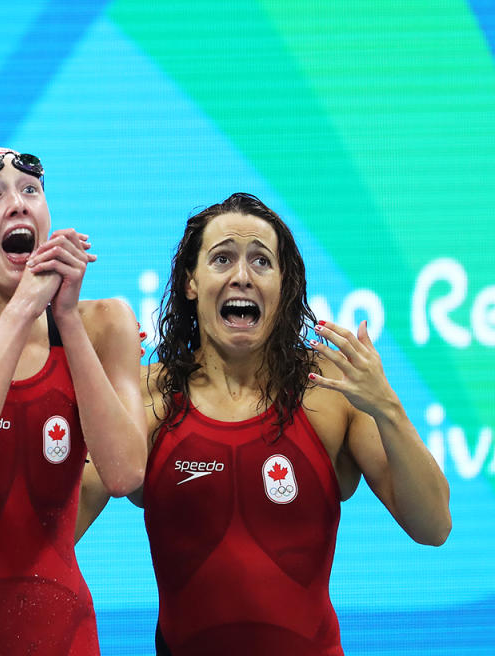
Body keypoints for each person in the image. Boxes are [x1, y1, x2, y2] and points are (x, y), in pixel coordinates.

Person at [75, 192, 451, 655]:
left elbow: (433, 526)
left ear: (283, 284)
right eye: (222, 259)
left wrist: (387, 408)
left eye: (261, 261)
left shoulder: (329, 391)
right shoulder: (149, 397)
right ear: (191, 282)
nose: (242, 276)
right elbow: (55, 533)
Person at [0, 147, 147, 654]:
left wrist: (68, 320)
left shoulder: (104, 323)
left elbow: (125, 474)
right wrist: (22, 313)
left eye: (30, 192)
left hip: (65, 631)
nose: (18, 203)